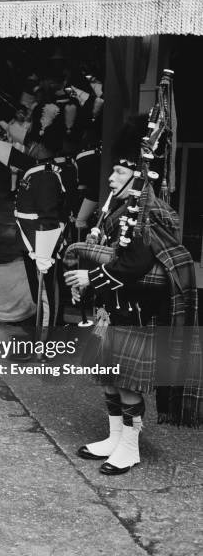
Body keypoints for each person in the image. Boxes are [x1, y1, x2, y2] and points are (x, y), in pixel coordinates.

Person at [64, 115, 200, 474]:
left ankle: (130, 447)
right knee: (108, 380)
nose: (111, 178)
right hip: (114, 311)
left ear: (139, 178)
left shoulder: (146, 216)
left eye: (120, 174)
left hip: (135, 312)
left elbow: (134, 265)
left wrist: (90, 276)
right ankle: (113, 439)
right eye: (113, 173)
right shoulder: (123, 211)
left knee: (126, 386)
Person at [0, 103, 66, 330]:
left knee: (46, 294)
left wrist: (43, 251)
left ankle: (46, 340)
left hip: (41, 241)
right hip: (30, 240)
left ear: (45, 147)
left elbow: (48, 218)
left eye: (34, 143)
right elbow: (17, 158)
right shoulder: (38, 166)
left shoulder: (46, 175)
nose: (29, 146)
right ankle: (43, 325)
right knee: (38, 290)